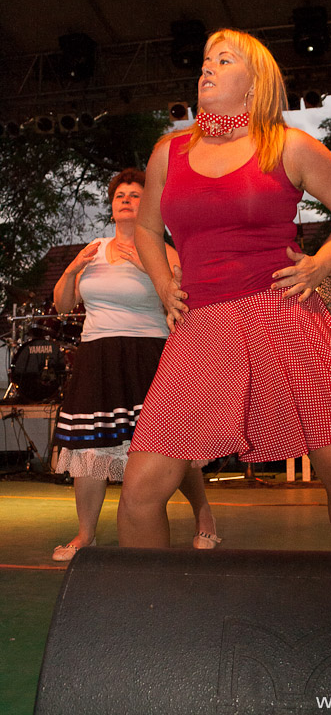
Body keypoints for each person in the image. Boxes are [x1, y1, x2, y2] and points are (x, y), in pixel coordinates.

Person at [117, 28, 331, 553]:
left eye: (223, 60)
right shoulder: (169, 152)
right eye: (205, 60)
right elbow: (146, 229)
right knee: (141, 489)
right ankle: (144, 601)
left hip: (283, 315)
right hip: (203, 325)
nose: (206, 68)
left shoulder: (289, 145)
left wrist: (321, 264)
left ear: (255, 83)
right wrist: (165, 283)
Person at [52, 168, 219, 561]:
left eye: (135, 195)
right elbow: (62, 305)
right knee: (91, 449)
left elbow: (186, 297)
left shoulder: (163, 250)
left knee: (169, 446)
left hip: (150, 357)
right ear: (112, 207)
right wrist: (73, 268)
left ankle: (204, 516)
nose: (125, 200)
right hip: (97, 357)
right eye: (119, 196)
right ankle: (85, 534)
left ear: (150, 206)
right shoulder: (94, 249)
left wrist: (148, 266)